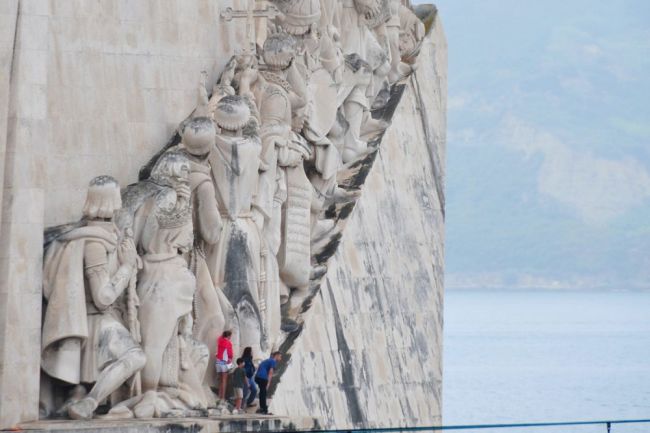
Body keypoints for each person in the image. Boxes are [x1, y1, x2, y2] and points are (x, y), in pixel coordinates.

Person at [216, 330, 234, 402]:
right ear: (229, 336)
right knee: (224, 381)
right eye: (230, 336)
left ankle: (218, 396)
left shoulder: (220, 341)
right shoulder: (228, 343)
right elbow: (230, 354)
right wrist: (230, 359)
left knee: (220, 380)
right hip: (224, 362)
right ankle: (222, 398)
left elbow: (219, 338)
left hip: (218, 362)